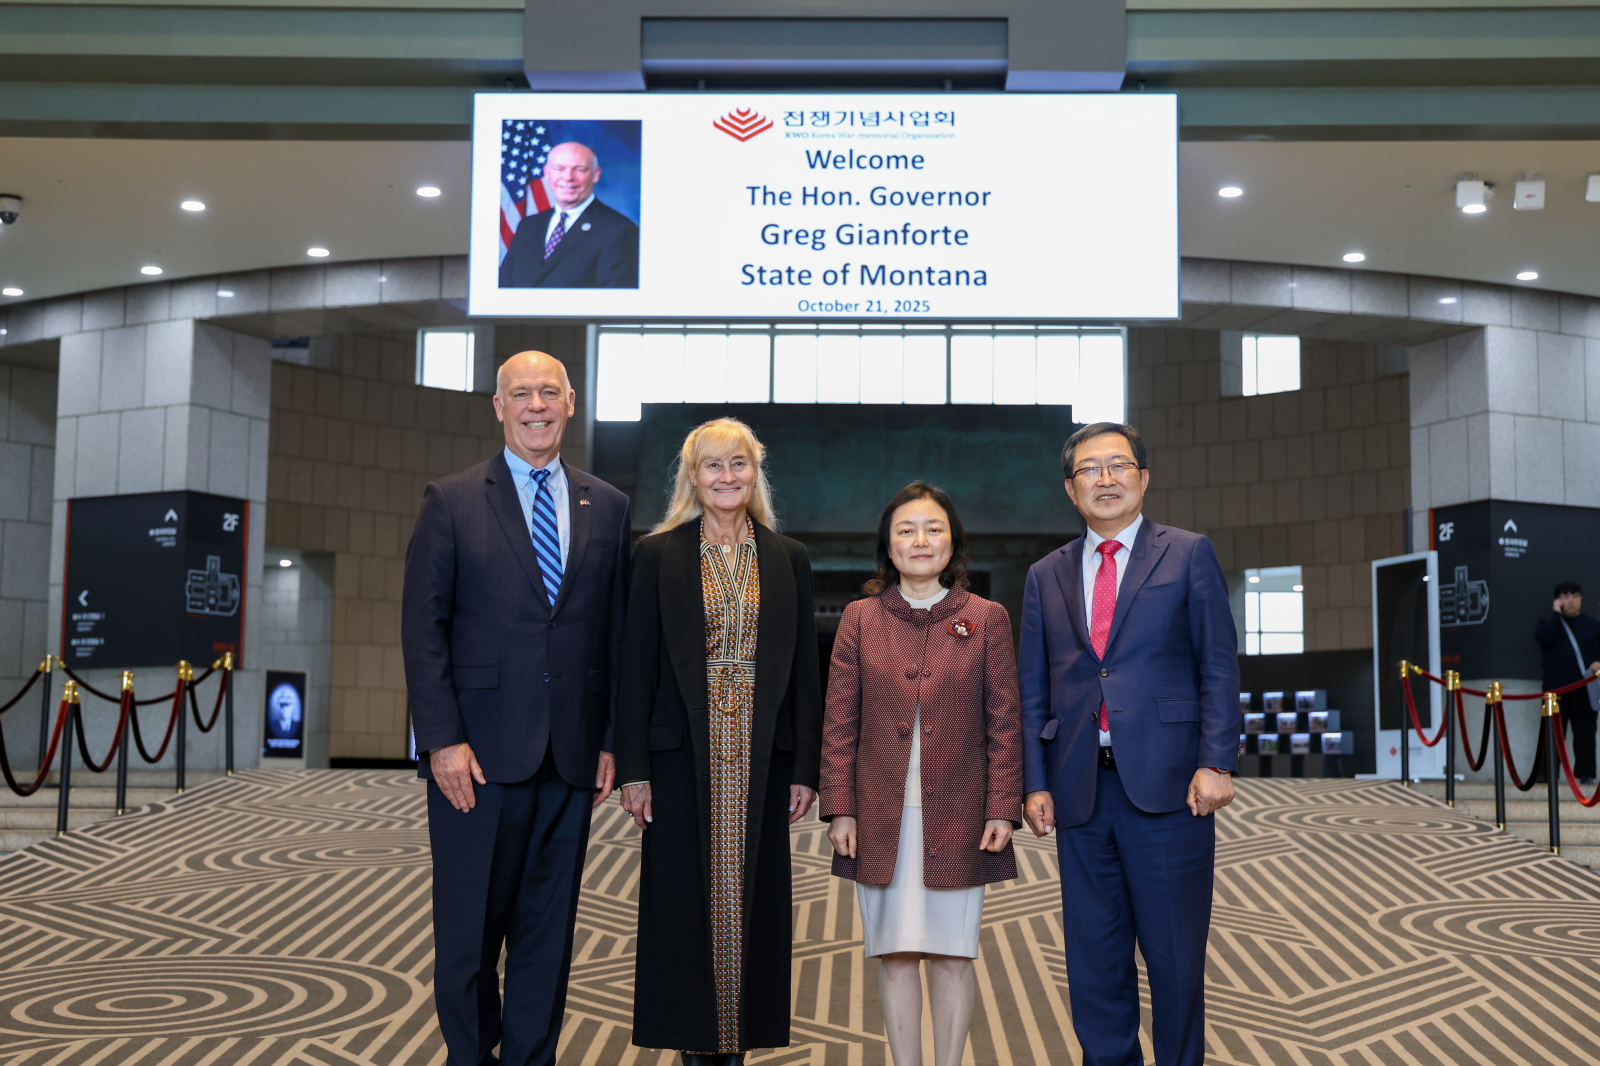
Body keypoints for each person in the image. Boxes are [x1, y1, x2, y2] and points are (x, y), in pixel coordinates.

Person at [402, 350, 632, 1066]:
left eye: (549, 393)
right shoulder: (453, 499)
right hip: (474, 758)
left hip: (571, 755)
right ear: (498, 407)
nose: (536, 405)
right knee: (469, 936)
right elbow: (422, 626)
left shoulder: (611, 504)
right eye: (520, 394)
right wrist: (441, 738)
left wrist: (612, 737)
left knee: (546, 936)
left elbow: (618, 633)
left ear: (570, 402)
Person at [1019, 421, 1239, 1066]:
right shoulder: (1045, 575)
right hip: (1080, 791)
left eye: (1119, 465)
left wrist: (1216, 759)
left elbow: (1218, 666)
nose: (1105, 479)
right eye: (1090, 469)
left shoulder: (1188, 553)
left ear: (1143, 478)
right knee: (1094, 958)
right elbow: (1033, 688)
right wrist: (1035, 781)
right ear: (1070, 488)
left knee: (1174, 961)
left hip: (1172, 788)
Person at [614, 417, 822, 1066]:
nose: (726, 477)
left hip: (761, 754)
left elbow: (806, 676)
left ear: (756, 472)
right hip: (683, 757)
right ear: (692, 476)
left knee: (752, 903)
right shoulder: (656, 554)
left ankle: (735, 1042)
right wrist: (633, 768)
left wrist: (805, 767)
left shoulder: (788, 558)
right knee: (683, 906)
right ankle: (695, 1044)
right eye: (713, 466)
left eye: (739, 464)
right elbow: (634, 668)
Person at [820, 482, 1022, 1066]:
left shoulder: (986, 618)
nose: (920, 540)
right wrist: (841, 808)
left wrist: (1001, 808)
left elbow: (1005, 722)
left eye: (933, 527)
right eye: (906, 529)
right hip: (879, 812)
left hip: (960, 813)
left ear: (952, 539)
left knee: (955, 954)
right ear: (888, 544)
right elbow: (839, 721)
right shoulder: (860, 619)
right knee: (896, 954)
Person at [499, 141, 640, 289]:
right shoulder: (528, 225)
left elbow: (613, 303)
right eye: (559, 169)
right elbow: (505, 286)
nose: (568, 178)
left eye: (579, 169)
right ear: (547, 173)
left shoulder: (620, 231)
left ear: (595, 175)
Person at [1535, 580, 1600, 785]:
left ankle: (1586, 774)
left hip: (1585, 688)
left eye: (1574, 596)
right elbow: (1542, 638)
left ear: (1581, 598)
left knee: (1585, 733)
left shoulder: (1594, 625)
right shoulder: (1548, 624)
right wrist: (1556, 614)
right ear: (1558, 600)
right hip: (1555, 689)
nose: (1570, 601)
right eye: (1565, 596)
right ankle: (1547, 773)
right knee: (1552, 733)